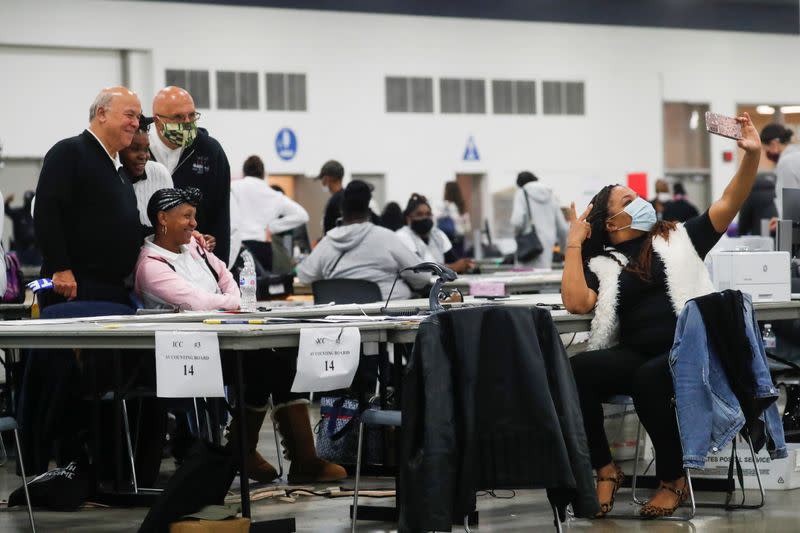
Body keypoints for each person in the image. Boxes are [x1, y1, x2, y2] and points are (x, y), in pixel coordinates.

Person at [562, 113, 761, 518]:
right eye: (627, 201)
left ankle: (673, 480)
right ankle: (604, 469)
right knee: (578, 369)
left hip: (689, 351)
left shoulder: (681, 237)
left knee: (648, 378)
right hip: (638, 350)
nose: (639, 202)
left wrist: (751, 158)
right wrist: (573, 243)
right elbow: (577, 304)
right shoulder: (604, 261)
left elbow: (729, 201)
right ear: (611, 222)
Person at [134, 187, 346, 484]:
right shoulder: (151, 266)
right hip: (187, 353)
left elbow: (227, 277)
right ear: (162, 219)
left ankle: (256, 453)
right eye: (187, 216)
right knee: (267, 366)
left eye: (194, 216)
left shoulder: (195, 248)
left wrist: (237, 301)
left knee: (279, 358)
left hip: (223, 339)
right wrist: (238, 304)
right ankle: (275, 456)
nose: (195, 224)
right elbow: (197, 303)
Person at [34, 86, 144, 307]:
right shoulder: (69, 152)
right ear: (101, 114)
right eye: (129, 115)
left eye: (138, 117)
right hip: (72, 287)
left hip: (114, 288)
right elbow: (47, 213)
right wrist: (61, 268)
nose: (136, 123)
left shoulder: (120, 170)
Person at [298, 181, 428, 300]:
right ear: (369, 210)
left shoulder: (327, 242)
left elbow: (305, 277)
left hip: (341, 318)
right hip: (385, 317)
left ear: (342, 210)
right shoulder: (386, 238)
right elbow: (422, 278)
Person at [149, 86, 231, 264]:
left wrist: (219, 268)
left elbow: (221, 215)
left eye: (192, 115)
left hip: (197, 260)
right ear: (157, 121)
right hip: (149, 256)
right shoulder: (139, 150)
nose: (187, 122)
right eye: (178, 117)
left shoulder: (210, 151)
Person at [230, 155, 309, 270]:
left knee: (238, 286)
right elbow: (302, 215)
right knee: (263, 285)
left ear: (244, 172)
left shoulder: (233, 187)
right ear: (263, 174)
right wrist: (272, 227)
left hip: (239, 245)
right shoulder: (273, 194)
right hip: (262, 246)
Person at [397, 193, 475, 274]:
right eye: (419, 214)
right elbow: (417, 270)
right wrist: (452, 268)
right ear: (408, 218)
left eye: (428, 214)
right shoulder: (402, 236)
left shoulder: (438, 235)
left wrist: (465, 265)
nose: (425, 218)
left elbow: (454, 261)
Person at [119, 116, 174, 227]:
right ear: (119, 149)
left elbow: (172, 224)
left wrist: (192, 237)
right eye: (135, 149)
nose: (144, 156)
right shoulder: (110, 177)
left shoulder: (160, 173)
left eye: (146, 149)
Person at [510, 170, 569, 269]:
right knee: (543, 280)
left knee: (523, 280)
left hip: (527, 247)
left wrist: (518, 235)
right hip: (547, 247)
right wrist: (563, 251)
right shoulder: (550, 196)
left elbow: (517, 222)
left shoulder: (521, 193)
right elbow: (563, 229)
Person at [760, 123, 800, 222]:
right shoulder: (796, 156)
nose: (767, 153)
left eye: (766, 149)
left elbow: (790, 207)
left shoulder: (786, 162)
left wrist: (781, 221)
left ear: (774, 144)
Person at [4, 190, 40, 265]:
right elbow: (6, 210)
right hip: (21, 251)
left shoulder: (38, 214)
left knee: (38, 273)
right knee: (21, 272)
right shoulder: (19, 213)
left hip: (36, 251)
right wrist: (6, 202)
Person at [436, 181, 471, 256]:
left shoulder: (444, 206)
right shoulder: (462, 206)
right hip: (459, 239)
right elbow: (467, 227)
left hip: (446, 239)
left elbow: (436, 220)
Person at [317, 160, 345, 235]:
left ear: (327, 178)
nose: (322, 182)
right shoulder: (347, 197)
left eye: (322, 178)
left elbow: (329, 230)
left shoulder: (334, 201)